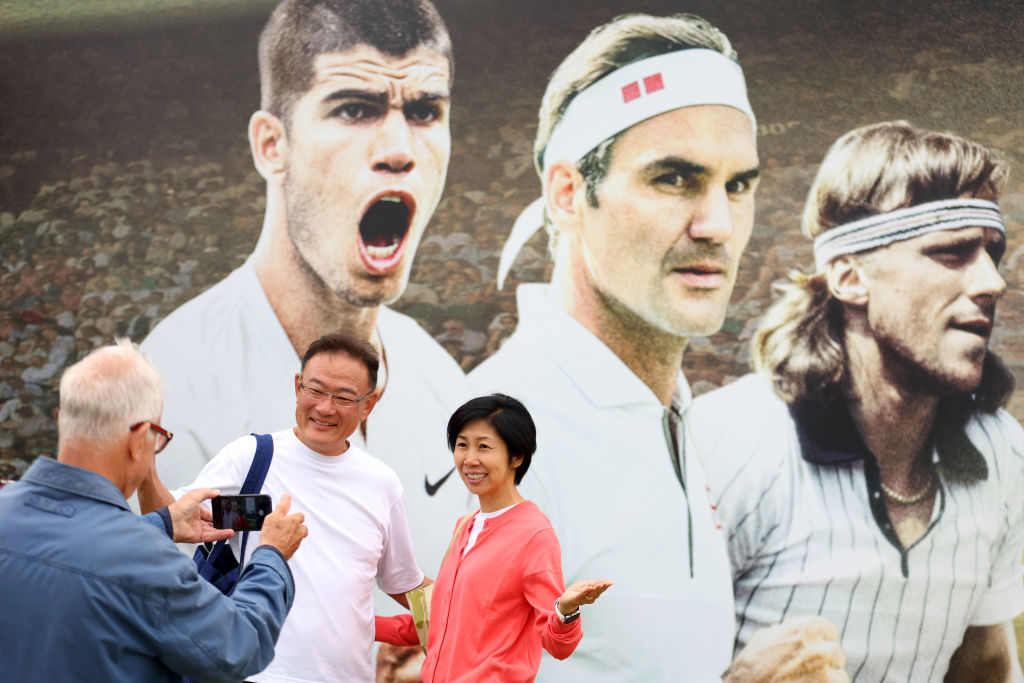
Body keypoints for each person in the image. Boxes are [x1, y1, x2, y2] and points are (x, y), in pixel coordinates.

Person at [471, 12, 846, 682]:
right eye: (673, 179)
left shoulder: (665, 415)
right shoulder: (502, 440)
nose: (718, 225)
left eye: (738, 185)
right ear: (567, 193)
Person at [139, 0, 471, 579]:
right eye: (354, 109)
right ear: (273, 145)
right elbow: (142, 592)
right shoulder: (177, 378)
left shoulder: (440, 380)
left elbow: (419, 587)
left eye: (424, 111)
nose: (399, 150)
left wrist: (425, 640)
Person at [690, 121, 1024, 681]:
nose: (992, 281)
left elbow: (984, 663)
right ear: (849, 278)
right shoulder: (729, 446)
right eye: (952, 253)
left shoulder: (1004, 454)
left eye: (993, 253)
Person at [0, 339, 308, 682]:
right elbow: (239, 647)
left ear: (63, 420)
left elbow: (71, 548)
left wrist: (159, 524)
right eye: (159, 436)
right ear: (139, 440)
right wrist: (271, 556)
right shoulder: (145, 559)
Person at [139, 331, 428, 682]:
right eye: (316, 390)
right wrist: (144, 467)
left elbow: (404, 583)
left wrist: (490, 601)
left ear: (369, 404)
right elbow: (174, 517)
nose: (325, 407)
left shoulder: (381, 483)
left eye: (344, 397)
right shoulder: (254, 459)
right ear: (297, 386)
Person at [375, 394, 612, 681]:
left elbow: (557, 645)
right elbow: (439, 623)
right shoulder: (465, 526)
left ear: (517, 457)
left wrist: (566, 610)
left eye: (484, 447)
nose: (470, 459)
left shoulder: (533, 534)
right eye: (462, 445)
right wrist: (359, 624)